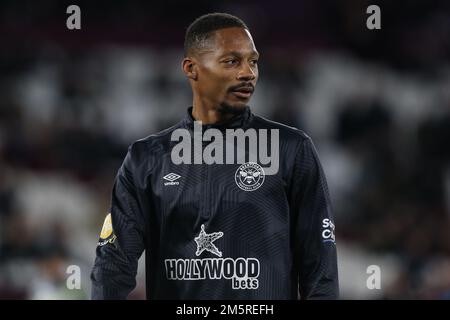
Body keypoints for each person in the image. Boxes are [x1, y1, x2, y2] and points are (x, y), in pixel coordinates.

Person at [91, 12, 339, 299]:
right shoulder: (147, 158)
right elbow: (113, 263)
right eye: (232, 61)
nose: (248, 72)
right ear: (191, 68)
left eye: (253, 61)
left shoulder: (291, 149)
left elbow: (320, 268)